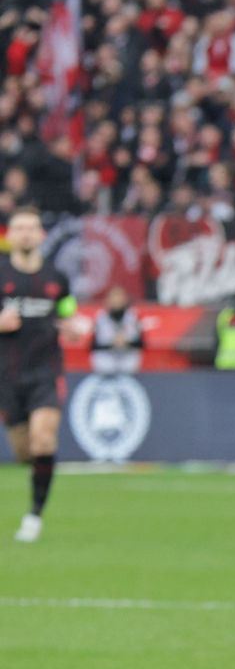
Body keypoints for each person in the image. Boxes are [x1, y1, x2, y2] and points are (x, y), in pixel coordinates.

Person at [0, 206, 75, 543]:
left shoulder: (57, 277)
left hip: (46, 370)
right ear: (10, 235)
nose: (26, 233)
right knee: (24, 452)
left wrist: (72, 326)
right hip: (7, 375)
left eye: (32, 228)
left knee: (44, 439)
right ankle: (38, 478)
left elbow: (68, 313)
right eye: (20, 228)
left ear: (42, 235)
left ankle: (34, 516)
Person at [91, 286, 144, 375]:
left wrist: (126, 342)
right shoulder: (101, 317)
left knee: (132, 359)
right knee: (102, 360)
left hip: (127, 357)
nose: (116, 301)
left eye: (119, 298)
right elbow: (93, 345)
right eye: (113, 298)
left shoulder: (132, 316)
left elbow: (141, 343)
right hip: (107, 358)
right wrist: (112, 343)